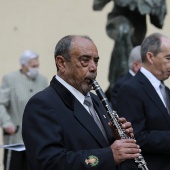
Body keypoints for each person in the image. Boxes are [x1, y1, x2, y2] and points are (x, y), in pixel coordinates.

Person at [22, 35, 141, 170]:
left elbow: (100, 145)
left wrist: (118, 139)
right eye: (85, 60)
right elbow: (48, 163)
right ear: (61, 63)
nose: (93, 67)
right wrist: (108, 155)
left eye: (96, 61)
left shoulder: (97, 100)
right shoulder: (42, 104)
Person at [93, 0, 167, 100]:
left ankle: (122, 89)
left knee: (136, 56)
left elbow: (159, 22)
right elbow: (97, 5)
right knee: (123, 30)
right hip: (118, 21)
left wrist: (154, 5)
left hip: (139, 28)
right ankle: (118, 86)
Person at [116, 33, 170, 170]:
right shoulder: (130, 89)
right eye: (168, 58)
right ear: (150, 57)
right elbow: (137, 137)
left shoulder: (166, 90)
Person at [0, 50, 48, 170]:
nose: (36, 69)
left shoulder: (43, 80)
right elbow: (0, 103)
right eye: (33, 66)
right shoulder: (10, 79)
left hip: (37, 139)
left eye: (37, 66)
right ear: (23, 65)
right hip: (15, 138)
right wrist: (6, 123)